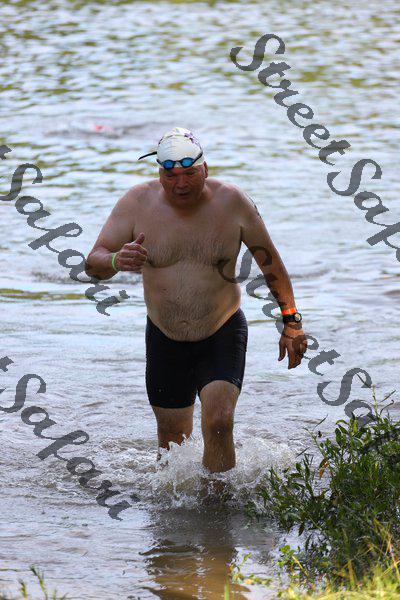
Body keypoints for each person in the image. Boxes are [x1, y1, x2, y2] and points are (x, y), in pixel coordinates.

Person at [85, 126, 307, 475]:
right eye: (170, 176)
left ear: (205, 168)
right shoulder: (136, 203)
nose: (181, 184)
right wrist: (115, 260)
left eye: (189, 174)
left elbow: (271, 264)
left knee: (219, 422)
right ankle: (173, 509)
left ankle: (218, 503)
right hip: (165, 337)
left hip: (221, 330)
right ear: (159, 173)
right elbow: (93, 264)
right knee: (172, 440)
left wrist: (291, 321)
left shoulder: (233, 203)